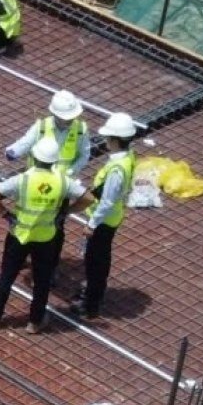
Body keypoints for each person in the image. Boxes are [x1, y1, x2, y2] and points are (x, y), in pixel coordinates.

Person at [0, 139, 81, 328]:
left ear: (34, 157)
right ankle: (35, 322)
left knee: (7, 276)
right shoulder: (62, 181)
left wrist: (5, 214)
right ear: (54, 161)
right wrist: (66, 212)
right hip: (46, 237)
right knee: (42, 280)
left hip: (20, 234)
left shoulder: (23, 179)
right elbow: (88, 198)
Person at [76, 113, 140, 317]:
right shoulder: (128, 157)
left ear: (114, 140)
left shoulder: (116, 169)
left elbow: (107, 200)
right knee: (99, 259)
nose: (106, 141)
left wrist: (92, 224)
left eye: (108, 138)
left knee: (95, 262)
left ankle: (89, 305)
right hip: (113, 217)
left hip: (104, 220)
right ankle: (93, 295)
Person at [5, 89, 88, 182]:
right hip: (36, 179)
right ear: (56, 115)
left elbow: (84, 156)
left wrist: (71, 171)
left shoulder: (81, 130)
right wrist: (13, 152)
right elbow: (26, 142)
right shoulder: (42, 126)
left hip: (63, 184)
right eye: (67, 118)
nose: (70, 119)